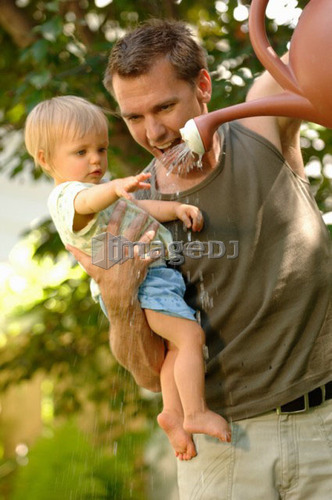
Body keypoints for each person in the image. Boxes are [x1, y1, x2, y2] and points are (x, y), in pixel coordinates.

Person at [67, 19, 332, 500]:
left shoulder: (261, 127)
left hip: (326, 425)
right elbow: (147, 374)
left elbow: (310, 48)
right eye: (133, 117)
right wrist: (117, 290)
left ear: (203, 86)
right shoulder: (126, 217)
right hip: (222, 445)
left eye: (165, 106)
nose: (155, 132)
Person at [24, 95, 232, 461]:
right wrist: (113, 186)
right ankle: (196, 412)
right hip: (141, 280)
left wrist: (176, 208)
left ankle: (173, 413)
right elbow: (85, 204)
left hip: (153, 278)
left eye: (101, 149)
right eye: (81, 152)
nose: (95, 160)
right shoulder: (67, 196)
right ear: (45, 159)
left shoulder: (104, 193)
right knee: (191, 337)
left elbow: (142, 207)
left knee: (174, 350)